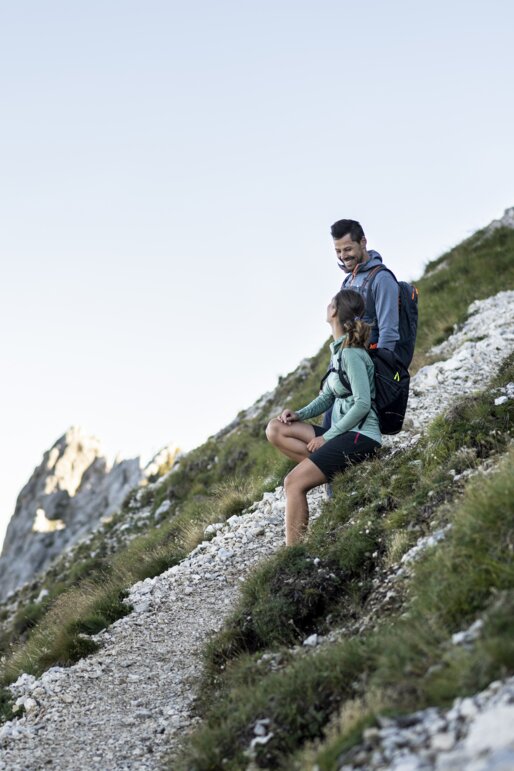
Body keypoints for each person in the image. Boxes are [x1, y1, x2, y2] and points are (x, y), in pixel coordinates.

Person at [266, 289, 381, 546]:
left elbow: (363, 404)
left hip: (360, 436)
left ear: (335, 312)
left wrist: (327, 436)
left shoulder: (351, 354)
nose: (327, 306)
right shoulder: (339, 352)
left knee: (293, 483)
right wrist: (298, 414)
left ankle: (292, 554)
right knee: (276, 428)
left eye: (330, 303)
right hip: (344, 433)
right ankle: (330, 469)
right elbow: (327, 397)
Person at [332, 218, 399, 353]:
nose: (343, 256)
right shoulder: (347, 282)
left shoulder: (382, 278)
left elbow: (388, 332)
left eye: (348, 249)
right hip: (353, 363)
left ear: (363, 242)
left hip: (373, 364)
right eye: (338, 251)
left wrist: (381, 368)